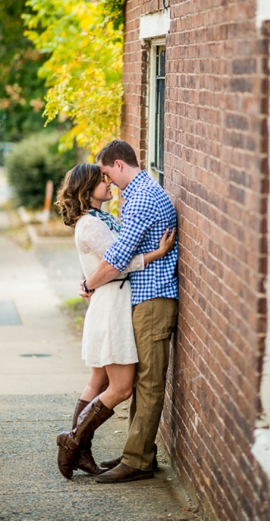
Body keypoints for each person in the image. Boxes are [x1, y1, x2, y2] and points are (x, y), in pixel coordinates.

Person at [54, 163, 175, 480]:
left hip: (110, 300)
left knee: (98, 382)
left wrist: (87, 283)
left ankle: (80, 452)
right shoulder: (92, 225)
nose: (108, 184)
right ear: (86, 188)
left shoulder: (98, 220)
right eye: (101, 180)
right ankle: (73, 442)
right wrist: (157, 253)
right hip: (111, 304)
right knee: (121, 389)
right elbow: (117, 264)